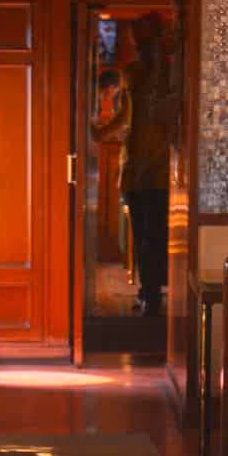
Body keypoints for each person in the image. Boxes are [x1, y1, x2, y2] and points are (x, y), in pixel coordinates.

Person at [122, 34, 173, 319]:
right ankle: (148, 291)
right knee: (145, 237)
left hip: (155, 176)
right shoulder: (136, 80)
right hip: (139, 175)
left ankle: (151, 293)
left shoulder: (165, 81)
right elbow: (128, 120)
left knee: (152, 238)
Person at [89, 63, 130, 271]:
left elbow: (120, 122)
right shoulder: (124, 96)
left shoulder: (126, 97)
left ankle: (126, 256)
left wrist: (98, 132)